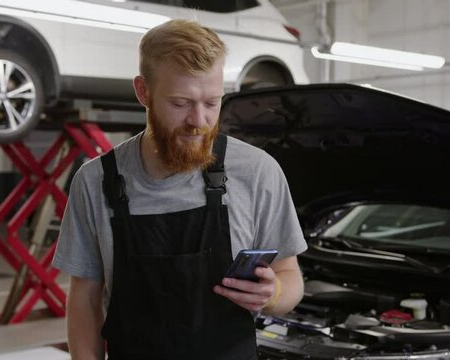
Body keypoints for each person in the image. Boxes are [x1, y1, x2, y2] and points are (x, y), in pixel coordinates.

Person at [52, 19, 308, 360]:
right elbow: (84, 299)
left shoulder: (258, 172)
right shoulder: (95, 182)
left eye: (212, 103)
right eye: (180, 103)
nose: (199, 121)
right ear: (143, 91)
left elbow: (290, 276)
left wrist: (273, 294)